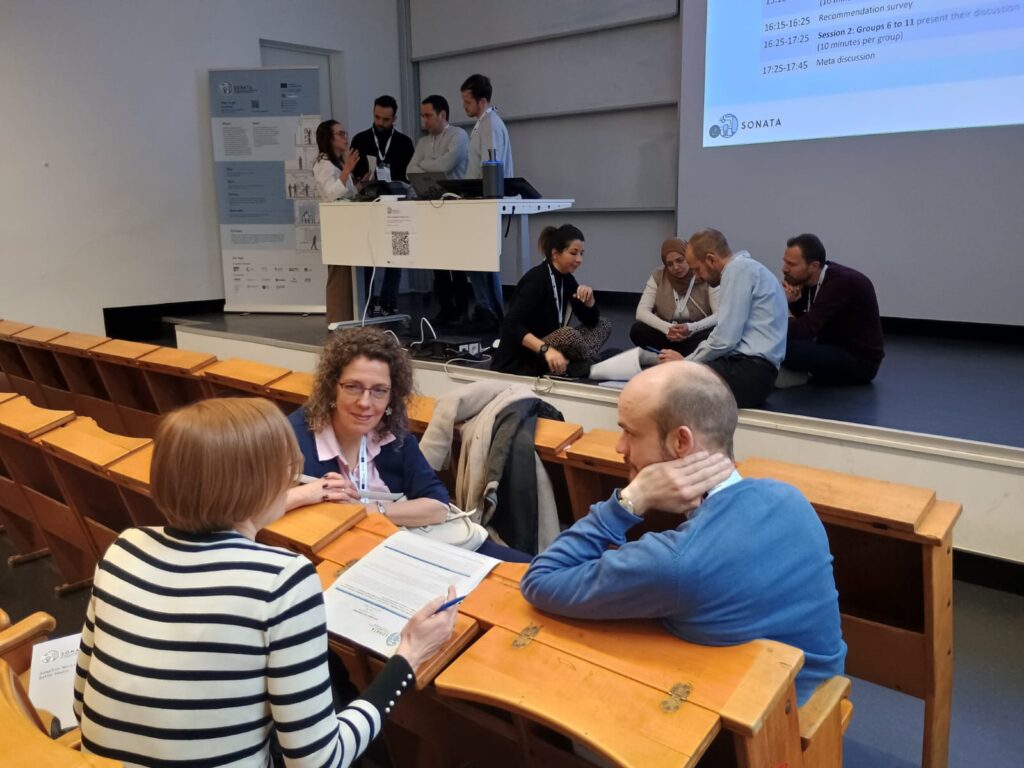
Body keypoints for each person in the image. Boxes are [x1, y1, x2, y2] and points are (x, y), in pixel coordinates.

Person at [73, 397, 459, 767]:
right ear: (263, 484)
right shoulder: (282, 581)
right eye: (288, 474)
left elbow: (81, 704)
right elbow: (320, 760)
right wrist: (408, 656)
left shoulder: (124, 548)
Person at [520, 361, 847, 706]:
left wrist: (629, 501)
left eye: (630, 432)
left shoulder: (675, 563)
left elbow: (540, 579)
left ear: (681, 441)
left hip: (759, 727)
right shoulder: (790, 498)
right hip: (817, 699)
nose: (620, 446)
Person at [287, 327, 530, 562]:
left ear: (392, 395)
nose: (365, 402)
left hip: (405, 544)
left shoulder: (393, 435)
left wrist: (367, 511)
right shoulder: (294, 435)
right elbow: (264, 506)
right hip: (340, 556)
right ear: (332, 387)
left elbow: (437, 506)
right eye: (353, 387)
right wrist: (307, 494)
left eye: (379, 391)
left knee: (531, 570)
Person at [680, 228, 788, 408]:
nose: (697, 277)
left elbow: (724, 340)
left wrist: (683, 365)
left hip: (749, 373)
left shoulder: (736, 270)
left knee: (673, 383)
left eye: (696, 269)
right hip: (758, 373)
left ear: (711, 259)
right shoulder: (750, 269)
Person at [490, 224, 610, 378]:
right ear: (555, 253)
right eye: (573, 253)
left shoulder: (567, 278)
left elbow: (591, 321)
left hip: (553, 347)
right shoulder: (536, 280)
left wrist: (590, 302)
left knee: (603, 324)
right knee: (568, 334)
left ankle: (579, 363)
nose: (579, 259)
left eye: (581, 254)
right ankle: (589, 363)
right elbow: (511, 325)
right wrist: (545, 349)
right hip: (526, 355)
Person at [780, 233, 885, 385]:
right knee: (778, 343)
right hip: (830, 346)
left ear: (813, 266)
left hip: (859, 360)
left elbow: (803, 330)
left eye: (792, 264)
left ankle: (790, 374)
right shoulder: (804, 281)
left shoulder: (842, 283)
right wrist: (790, 304)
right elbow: (796, 326)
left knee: (784, 348)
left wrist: (783, 305)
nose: (784, 269)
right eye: (785, 262)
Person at [406, 94, 471, 326]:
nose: (424, 121)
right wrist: (430, 166)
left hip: (455, 207)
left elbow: (445, 165)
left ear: (442, 115)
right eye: (422, 116)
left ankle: (462, 309)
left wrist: (423, 166)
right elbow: (409, 170)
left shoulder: (458, 135)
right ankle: (445, 308)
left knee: (458, 263)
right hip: (432, 207)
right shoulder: (423, 142)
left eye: (428, 115)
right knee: (438, 262)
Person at [350, 96, 415, 317]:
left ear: (394, 118)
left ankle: (389, 301)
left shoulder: (404, 143)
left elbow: (409, 175)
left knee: (397, 252)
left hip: (398, 205)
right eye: (377, 117)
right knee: (368, 253)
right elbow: (353, 176)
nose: (380, 122)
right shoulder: (360, 140)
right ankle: (368, 300)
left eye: (385, 119)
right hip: (369, 203)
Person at [462, 74, 513, 332]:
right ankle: (486, 307)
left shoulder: (490, 125)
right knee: (477, 258)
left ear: (482, 101)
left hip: (486, 200)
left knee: (485, 260)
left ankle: (492, 311)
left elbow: (490, 164)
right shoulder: (482, 124)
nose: (464, 106)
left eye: (468, 102)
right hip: (477, 200)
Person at [631, 237, 720, 358]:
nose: (676, 267)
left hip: (696, 333)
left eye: (680, 260)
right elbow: (641, 312)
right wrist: (667, 329)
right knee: (638, 330)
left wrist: (691, 328)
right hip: (668, 335)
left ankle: (670, 356)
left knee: (716, 332)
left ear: (688, 257)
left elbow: (719, 314)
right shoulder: (658, 276)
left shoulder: (704, 273)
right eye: (670, 264)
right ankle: (686, 356)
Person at [313, 120, 360, 325]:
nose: (345, 137)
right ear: (329, 139)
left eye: (345, 132)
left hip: (346, 225)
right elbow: (331, 194)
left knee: (347, 276)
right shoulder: (324, 164)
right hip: (336, 227)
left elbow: (346, 192)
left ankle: (347, 319)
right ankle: (337, 320)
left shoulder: (337, 163)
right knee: (339, 276)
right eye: (340, 134)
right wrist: (347, 170)